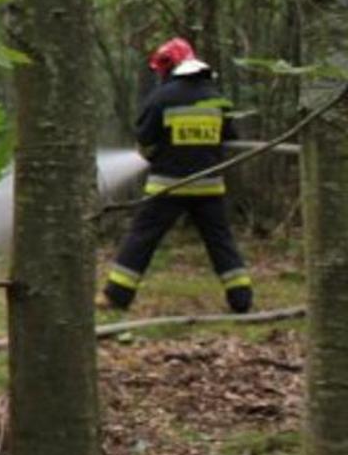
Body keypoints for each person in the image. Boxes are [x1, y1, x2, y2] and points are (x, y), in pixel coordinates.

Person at [103, 37, 252, 314]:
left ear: (169, 67)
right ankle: (241, 298)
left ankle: (117, 296)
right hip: (209, 186)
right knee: (221, 242)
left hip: (167, 186)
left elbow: (145, 142)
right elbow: (229, 138)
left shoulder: (161, 98)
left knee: (142, 238)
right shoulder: (217, 98)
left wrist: (156, 155)